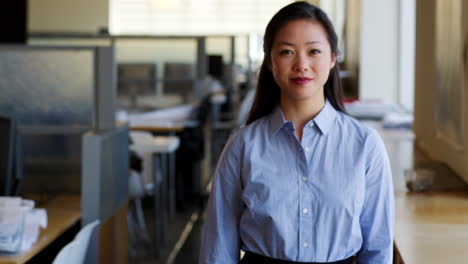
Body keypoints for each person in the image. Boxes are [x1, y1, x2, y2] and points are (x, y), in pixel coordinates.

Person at [199, 2, 394, 264]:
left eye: (314, 51)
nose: (301, 65)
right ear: (270, 62)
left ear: (333, 58)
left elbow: (378, 248)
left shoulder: (365, 145)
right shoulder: (243, 145)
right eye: (287, 52)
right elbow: (218, 248)